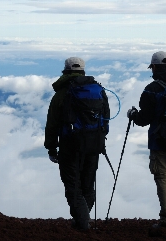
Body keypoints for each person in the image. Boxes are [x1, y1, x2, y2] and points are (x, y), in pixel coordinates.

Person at [44, 57, 110, 231]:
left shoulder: (61, 94)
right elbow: (106, 117)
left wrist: (51, 147)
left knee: (73, 184)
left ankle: (82, 223)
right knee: (88, 183)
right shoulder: (98, 90)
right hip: (94, 144)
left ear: (65, 70)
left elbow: (52, 124)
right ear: (83, 70)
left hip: (70, 145)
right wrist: (99, 137)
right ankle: (83, 219)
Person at [127, 51, 166, 230]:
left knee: (163, 176)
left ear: (153, 67)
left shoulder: (151, 89)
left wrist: (133, 115)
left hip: (160, 140)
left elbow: (143, 119)